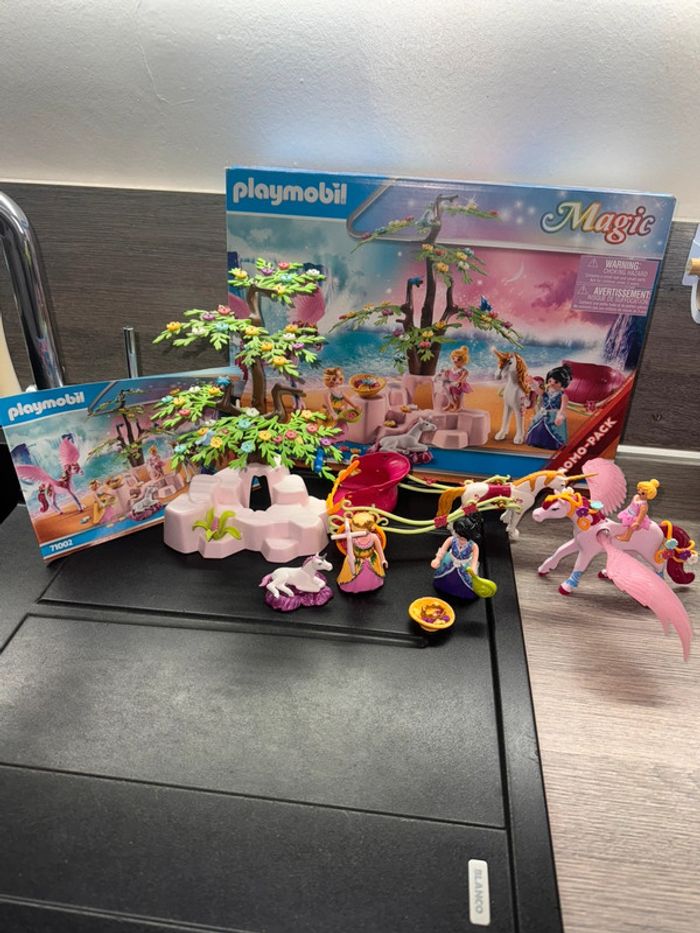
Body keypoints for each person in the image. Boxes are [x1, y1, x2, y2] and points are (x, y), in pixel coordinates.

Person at [430, 514, 482, 600]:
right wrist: (437, 559)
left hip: (464, 566)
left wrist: (473, 569)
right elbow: (443, 550)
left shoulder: (473, 546)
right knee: (444, 578)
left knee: (464, 582)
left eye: (464, 538)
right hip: (450, 561)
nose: (461, 540)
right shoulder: (451, 540)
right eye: (459, 536)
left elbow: (474, 560)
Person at [334, 511, 388, 593]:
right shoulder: (353, 538)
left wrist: (383, 559)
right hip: (355, 560)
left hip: (371, 558)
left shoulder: (373, 537)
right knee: (353, 573)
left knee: (372, 576)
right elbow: (349, 550)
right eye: (355, 530)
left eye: (360, 531)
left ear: (371, 528)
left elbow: (379, 549)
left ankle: (372, 584)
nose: (357, 533)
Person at [525, 364, 572, 449]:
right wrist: (532, 382)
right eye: (550, 381)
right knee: (538, 428)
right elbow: (537, 390)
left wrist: (560, 416)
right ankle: (536, 442)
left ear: (563, 384)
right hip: (542, 414)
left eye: (556, 382)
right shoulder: (546, 393)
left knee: (553, 431)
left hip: (554, 416)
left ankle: (552, 444)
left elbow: (562, 409)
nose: (552, 383)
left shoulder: (563, 396)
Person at [438, 346, 473, 411]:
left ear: (464, 361)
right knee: (450, 394)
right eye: (453, 358)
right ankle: (450, 405)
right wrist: (444, 373)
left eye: (458, 359)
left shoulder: (463, 371)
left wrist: (459, 381)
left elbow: (463, 377)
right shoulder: (451, 369)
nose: (455, 360)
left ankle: (458, 406)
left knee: (457, 396)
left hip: (458, 385)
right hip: (451, 384)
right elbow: (447, 375)